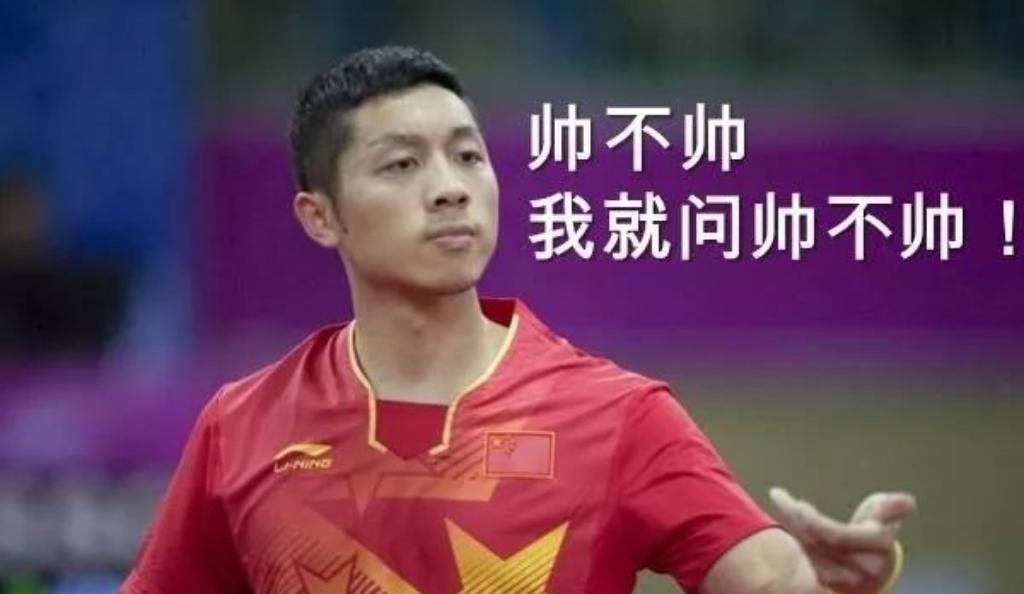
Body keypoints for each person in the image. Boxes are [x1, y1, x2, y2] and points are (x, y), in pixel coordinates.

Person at [121, 46, 915, 594]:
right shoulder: (240, 427)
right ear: (319, 216)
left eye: (468, 156)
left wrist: (839, 584)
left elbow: (770, 578)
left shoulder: (622, 418)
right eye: (402, 164)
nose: (451, 188)